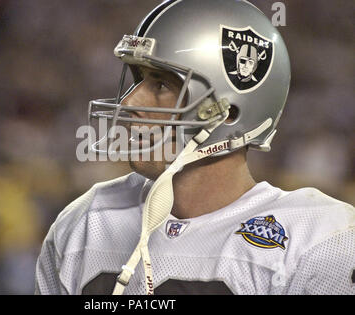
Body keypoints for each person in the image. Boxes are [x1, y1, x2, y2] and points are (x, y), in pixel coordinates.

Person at [35, 0, 355, 295]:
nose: (130, 101)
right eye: (138, 80)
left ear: (228, 112)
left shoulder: (318, 241)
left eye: (161, 84)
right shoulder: (86, 221)